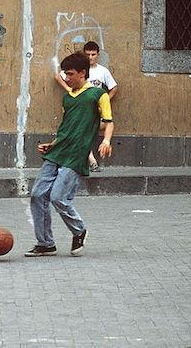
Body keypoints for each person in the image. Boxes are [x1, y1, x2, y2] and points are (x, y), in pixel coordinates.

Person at [27, 52, 113, 257]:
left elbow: (109, 122)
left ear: (83, 73)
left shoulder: (98, 95)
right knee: (37, 195)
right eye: (65, 74)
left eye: (70, 74)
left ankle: (79, 230)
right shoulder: (68, 98)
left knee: (58, 197)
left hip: (76, 154)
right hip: (58, 151)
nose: (66, 78)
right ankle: (46, 243)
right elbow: (66, 127)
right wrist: (52, 144)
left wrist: (106, 141)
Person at [54, 41, 118, 171]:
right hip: (78, 108)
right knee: (81, 130)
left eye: (93, 54)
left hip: (94, 110)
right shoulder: (77, 70)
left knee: (93, 129)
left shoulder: (102, 71)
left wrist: (103, 100)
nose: (90, 57)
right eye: (88, 54)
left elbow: (114, 87)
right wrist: (69, 89)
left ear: (97, 55)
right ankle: (92, 161)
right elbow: (58, 75)